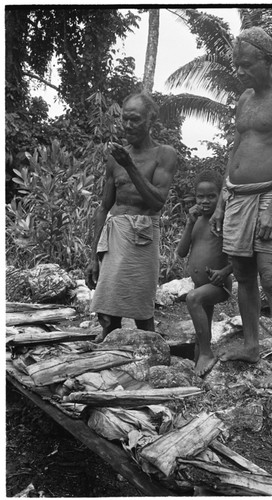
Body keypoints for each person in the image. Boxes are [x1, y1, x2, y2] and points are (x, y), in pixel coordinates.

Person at [211, 27, 272, 389]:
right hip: (237, 194)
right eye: (236, 65)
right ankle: (252, 345)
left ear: (267, 61)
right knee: (243, 273)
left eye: (246, 65)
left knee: (271, 275)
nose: (239, 71)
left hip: (271, 193)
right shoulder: (244, 99)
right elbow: (234, 150)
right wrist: (222, 199)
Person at [86, 92, 177, 342]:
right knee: (108, 301)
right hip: (115, 232)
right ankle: (110, 341)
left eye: (135, 120)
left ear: (151, 120)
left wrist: (130, 166)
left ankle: (152, 348)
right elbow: (104, 207)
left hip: (143, 233)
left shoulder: (164, 154)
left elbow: (157, 200)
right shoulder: (115, 157)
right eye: (125, 120)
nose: (128, 126)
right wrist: (94, 256)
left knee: (141, 301)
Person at [177, 169, 233, 377]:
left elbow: (240, 256)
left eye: (211, 196)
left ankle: (207, 354)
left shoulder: (223, 220)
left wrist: (225, 271)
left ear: (220, 197)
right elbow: (182, 252)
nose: (205, 201)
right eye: (201, 196)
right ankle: (201, 357)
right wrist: (189, 222)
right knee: (201, 334)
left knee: (193, 299)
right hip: (201, 285)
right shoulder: (197, 221)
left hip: (219, 284)